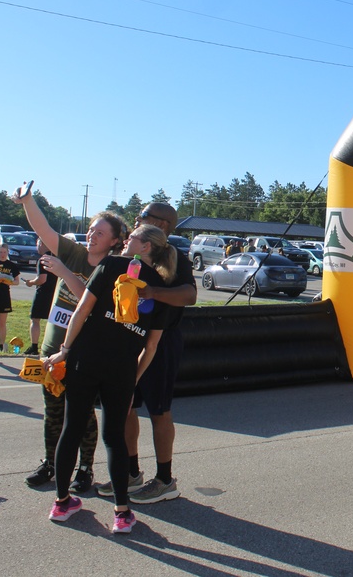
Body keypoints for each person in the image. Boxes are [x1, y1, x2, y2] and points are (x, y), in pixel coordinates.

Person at [42, 223, 174, 533]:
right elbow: (150, 346)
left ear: (146, 248)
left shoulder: (112, 264)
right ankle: (122, 513)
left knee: (71, 429)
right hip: (122, 370)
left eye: (135, 237)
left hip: (84, 360)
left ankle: (62, 504)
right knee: (114, 438)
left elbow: (82, 311)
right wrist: (133, 379)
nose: (128, 240)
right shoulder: (160, 288)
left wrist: (64, 350)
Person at [13, 184, 128, 492]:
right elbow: (44, 229)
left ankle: (85, 469)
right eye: (91, 229)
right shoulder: (74, 252)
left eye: (100, 233)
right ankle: (51, 464)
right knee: (53, 412)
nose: (92, 236)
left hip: (81, 355)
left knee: (82, 417)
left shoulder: (113, 269)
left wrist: (64, 273)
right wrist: (27, 200)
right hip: (52, 351)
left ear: (115, 241)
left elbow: (90, 304)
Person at [99, 203, 198, 505]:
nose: (135, 222)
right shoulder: (126, 260)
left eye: (142, 219)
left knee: (158, 411)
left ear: (161, 224)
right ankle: (131, 473)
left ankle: (165, 479)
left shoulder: (175, 257)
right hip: (131, 341)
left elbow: (190, 296)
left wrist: (154, 293)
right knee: (127, 406)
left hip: (161, 342)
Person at [23, 239, 58, 356]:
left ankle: (34, 346)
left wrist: (31, 282)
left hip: (43, 293)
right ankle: (53, 346)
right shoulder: (56, 258)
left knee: (35, 319)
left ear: (42, 244)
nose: (36, 247)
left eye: (37, 244)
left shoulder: (43, 259)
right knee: (52, 320)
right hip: (56, 293)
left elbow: (42, 279)